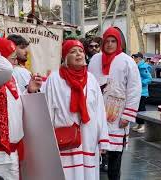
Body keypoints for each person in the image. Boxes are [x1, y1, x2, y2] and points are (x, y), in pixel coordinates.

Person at [40, 40, 109, 180]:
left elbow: (100, 111)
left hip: (88, 137)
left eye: (81, 51)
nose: (78, 54)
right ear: (65, 57)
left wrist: (103, 139)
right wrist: (48, 142)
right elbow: (47, 111)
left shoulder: (91, 79)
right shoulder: (54, 79)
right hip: (65, 141)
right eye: (73, 51)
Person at [0, 37, 42, 180]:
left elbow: (13, 106)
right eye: (12, 57)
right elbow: (3, 68)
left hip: (12, 152)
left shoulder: (11, 78)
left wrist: (29, 90)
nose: (15, 62)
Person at [88, 27, 141, 180]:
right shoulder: (96, 60)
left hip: (118, 116)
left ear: (118, 43)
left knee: (115, 157)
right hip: (97, 113)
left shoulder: (127, 61)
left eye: (113, 41)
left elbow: (134, 89)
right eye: (107, 41)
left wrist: (128, 115)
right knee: (95, 153)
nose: (110, 44)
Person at [131, 52, 152, 133]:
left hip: (142, 92)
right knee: (137, 109)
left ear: (139, 59)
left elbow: (149, 79)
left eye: (135, 57)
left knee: (141, 109)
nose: (134, 59)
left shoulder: (143, 67)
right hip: (137, 92)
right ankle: (139, 124)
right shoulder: (136, 67)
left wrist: (140, 83)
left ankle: (143, 125)